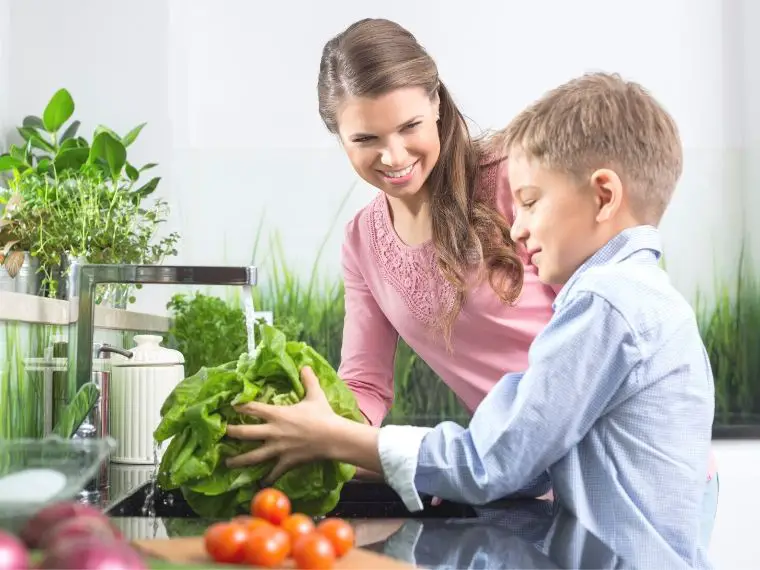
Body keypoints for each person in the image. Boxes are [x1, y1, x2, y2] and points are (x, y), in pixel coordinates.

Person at [227, 71, 717, 568]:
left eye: (528, 202)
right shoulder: (635, 294)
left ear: (605, 196)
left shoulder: (604, 303)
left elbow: (495, 459)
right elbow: (527, 454)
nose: (518, 227)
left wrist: (340, 439)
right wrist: (426, 467)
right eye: (366, 138)